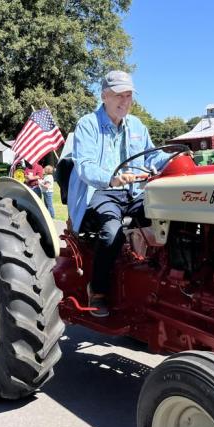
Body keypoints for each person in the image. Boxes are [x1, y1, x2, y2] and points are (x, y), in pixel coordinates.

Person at [68, 70, 171, 317]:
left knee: (169, 220)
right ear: (104, 96)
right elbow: (85, 165)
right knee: (112, 231)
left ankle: (163, 283)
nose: (125, 101)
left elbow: (152, 155)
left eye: (129, 96)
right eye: (118, 95)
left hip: (133, 192)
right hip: (101, 192)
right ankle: (99, 289)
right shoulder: (88, 125)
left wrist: (176, 158)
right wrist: (110, 178)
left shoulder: (136, 125)